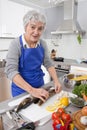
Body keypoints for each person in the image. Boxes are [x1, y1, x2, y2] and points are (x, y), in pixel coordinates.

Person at [5, 10, 62, 102]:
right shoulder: (16, 44)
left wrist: (56, 81)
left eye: (40, 28)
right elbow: (11, 71)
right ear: (25, 27)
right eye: (33, 27)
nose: (36, 32)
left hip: (40, 87)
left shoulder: (42, 44)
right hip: (21, 91)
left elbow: (48, 64)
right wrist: (32, 90)